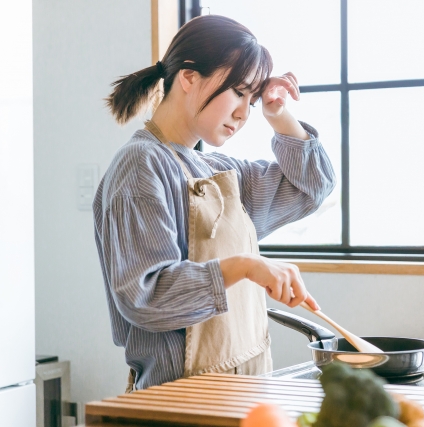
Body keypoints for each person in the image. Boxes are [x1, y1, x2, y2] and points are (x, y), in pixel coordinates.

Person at [93, 15, 335, 391]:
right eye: (238, 92)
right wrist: (244, 266)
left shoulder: (217, 169)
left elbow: (312, 188)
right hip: (180, 405)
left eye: (251, 100)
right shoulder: (140, 167)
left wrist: (280, 115)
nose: (243, 113)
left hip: (244, 394)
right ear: (189, 78)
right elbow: (145, 296)